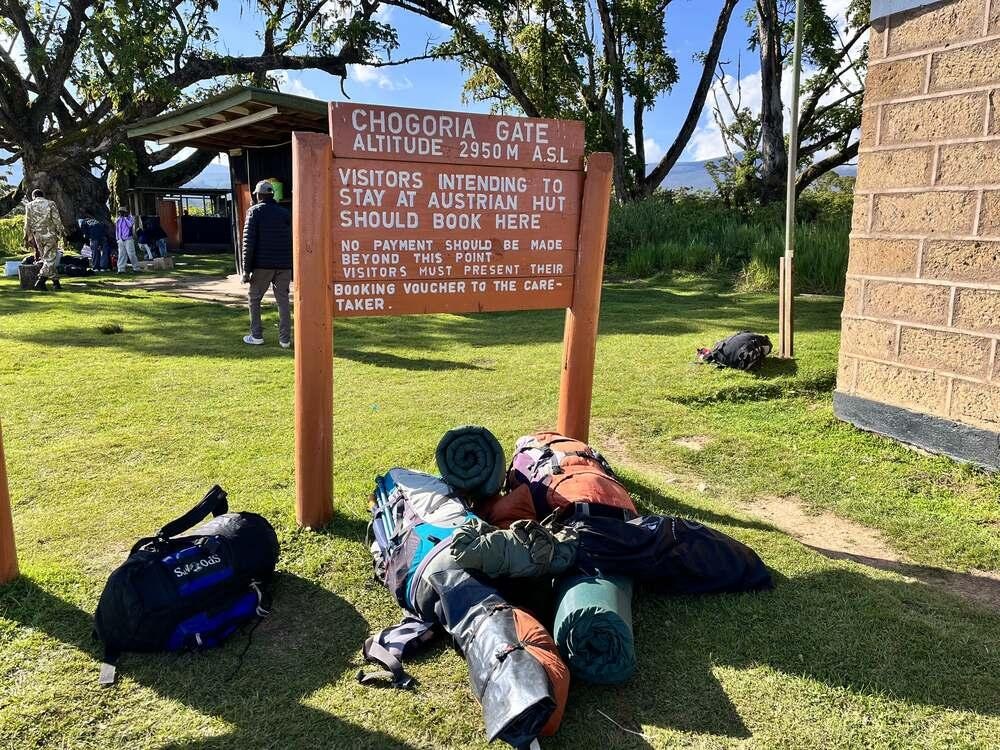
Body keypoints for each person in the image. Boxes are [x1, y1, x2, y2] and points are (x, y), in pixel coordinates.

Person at [241, 180, 292, 348]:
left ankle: (256, 336)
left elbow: (248, 243)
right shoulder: (285, 213)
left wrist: (246, 270)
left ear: (258, 195)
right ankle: (285, 340)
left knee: (254, 299)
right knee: (283, 301)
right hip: (284, 265)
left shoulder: (254, 212)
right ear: (272, 195)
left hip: (262, 265)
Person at [23, 189, 64, 291]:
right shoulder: (50, 204)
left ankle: (56, 283)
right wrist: (62, 232)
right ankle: (40, 281)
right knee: (50, 259)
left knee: (47, 259)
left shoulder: (29, 205)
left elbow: (27, 223)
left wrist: (27, 237)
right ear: (42, 195)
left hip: (37, 235)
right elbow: (56, 219)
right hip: (50, 233)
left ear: (34, 196)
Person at [115, 207, 141, 273]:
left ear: (126, 212)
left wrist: (125, 218)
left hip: (128, 239)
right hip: (121, 240)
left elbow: (130, 225)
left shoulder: (130, 218)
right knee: (121, 255)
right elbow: (117, 230)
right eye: (120, 212)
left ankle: (136, 268)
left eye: (122, 212)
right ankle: (121, 269)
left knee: (131, 254)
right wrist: (117, 238)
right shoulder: (118, 219)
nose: (121, 213)